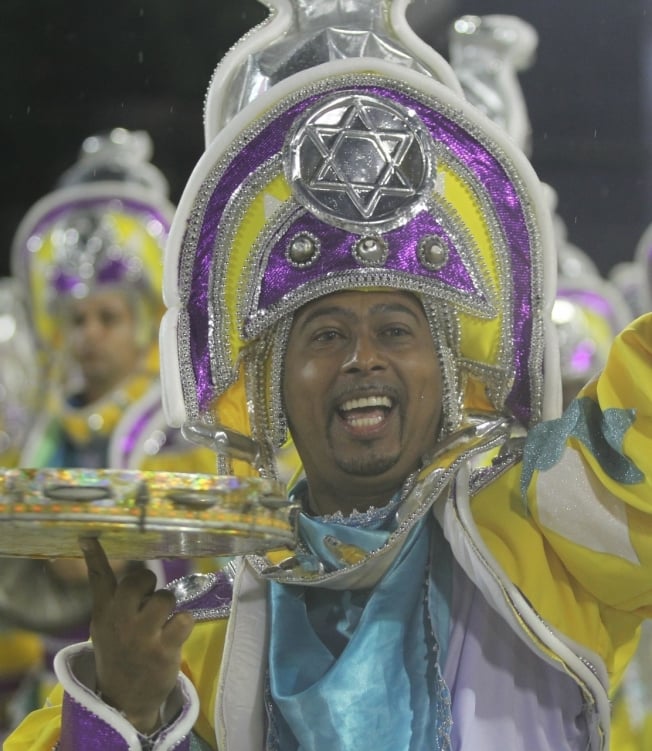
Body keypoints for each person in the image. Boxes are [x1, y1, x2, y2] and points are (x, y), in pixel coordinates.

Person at [6, 2, 652, 750]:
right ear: (272, 385)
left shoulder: (550, 528)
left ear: (445, 370)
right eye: (326, 333)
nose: (363, 357)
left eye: (396, 329)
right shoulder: (197, 637)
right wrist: (126, 710)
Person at [0, 128, 217, 737]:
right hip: (42, 697)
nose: (88, 334)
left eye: (108, 317)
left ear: (146, 320)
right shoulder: (40, 431)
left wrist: (121, 553)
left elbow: (216, 564)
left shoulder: (183, 437)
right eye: (76, 318)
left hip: (165, 695)